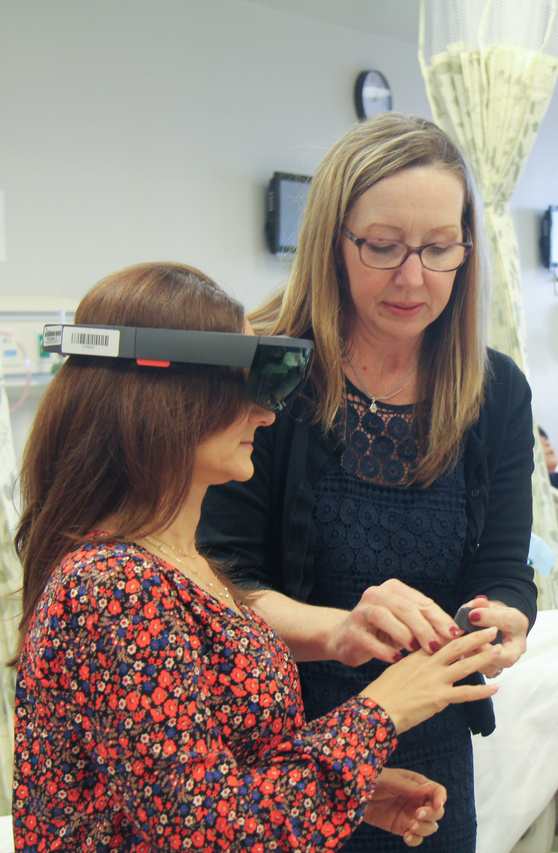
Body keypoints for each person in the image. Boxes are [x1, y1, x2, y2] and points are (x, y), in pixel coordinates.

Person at [12, 262, 506, 851]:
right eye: (246, 384)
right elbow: (206, 833)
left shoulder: (183, 568)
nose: (265, 412)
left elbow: (214, 780)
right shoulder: (113, 588)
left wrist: (352, 789)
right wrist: (381, 711)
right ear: (164, 399)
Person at [199, 113, 538, 852]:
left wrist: (505, 615)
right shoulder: (265, 373)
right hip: (276, 747)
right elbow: (215, 589)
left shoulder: (494, 391)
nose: (413, 277)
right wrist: (343, 630)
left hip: (428, 752)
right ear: (332, 240)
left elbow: (505, 563)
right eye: (383, 247)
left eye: (439, 248)